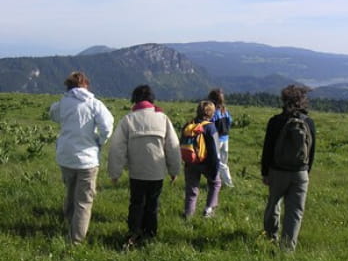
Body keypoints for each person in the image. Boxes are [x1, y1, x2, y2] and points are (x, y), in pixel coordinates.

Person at [107, 85, 181, 248]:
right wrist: (174, 170)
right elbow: (173, 146)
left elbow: (117, 148)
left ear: (135, 100)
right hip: (157, 172)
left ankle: (134, 232)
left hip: (137, 173)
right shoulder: (163, 118)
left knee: (136, 203)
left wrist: (115, 172)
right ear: (151, 100)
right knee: (152, 204)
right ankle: (150, 233)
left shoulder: (128, 119)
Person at [49, 71, 114, 244]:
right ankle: (76, 240)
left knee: (70, 191)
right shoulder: (94, 104)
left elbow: (52, 114)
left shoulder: (63, 103)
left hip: (65, 156)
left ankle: (68, 222)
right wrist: (100, 141)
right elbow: (107, 125)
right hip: (88, 158)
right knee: (84, 200)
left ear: (68, 86)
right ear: (86, 85)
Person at [261, 85, 316, 251]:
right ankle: (287, 249)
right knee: (295, 212)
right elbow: (311, 151)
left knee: (273, 204)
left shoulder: (275, 121)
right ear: (303, 101)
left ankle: (271, 235)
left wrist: (265, 172)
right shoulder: (308, 122)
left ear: (284, 100)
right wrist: (306, 171)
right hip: (300, 173)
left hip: (277, 171)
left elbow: (267, 149)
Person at [183, 100, 221, 218]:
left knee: (192, 190)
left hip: (190, 162)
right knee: (216, 183)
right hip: (206, 163)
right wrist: (215, 169)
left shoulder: (188, 125)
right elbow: (215, 151)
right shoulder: (210, 127)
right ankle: (209, 210)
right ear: (211, 113)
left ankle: (188, 214)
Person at [208, 88, 234, 187]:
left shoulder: (214, 112)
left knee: (218, 162)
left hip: (217, 139)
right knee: (223, 161)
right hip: (226, 138)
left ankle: (228, 183)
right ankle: (220, 181)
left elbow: (211, 125)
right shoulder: (225, 111)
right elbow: (230, 122)